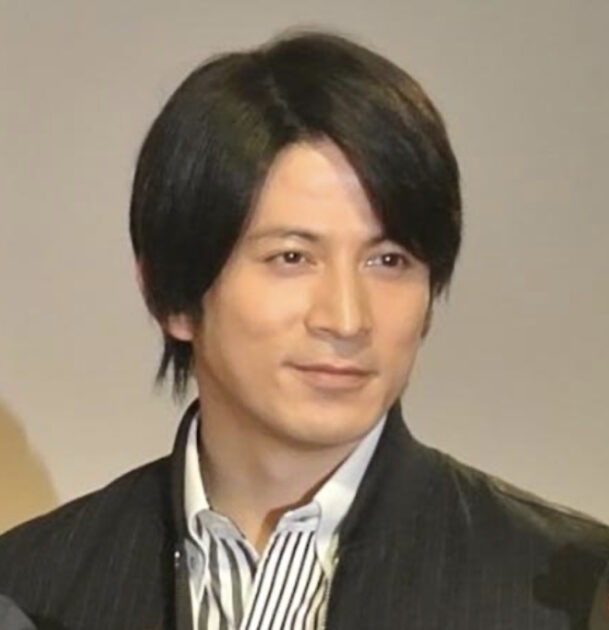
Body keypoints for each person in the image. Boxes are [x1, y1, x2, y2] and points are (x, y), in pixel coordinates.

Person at [0, 30, 607, 630]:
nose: (346, 318)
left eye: (388, 260)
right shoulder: (28, 587)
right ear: (173, 294)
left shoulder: (576, 592)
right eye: (292, 257)